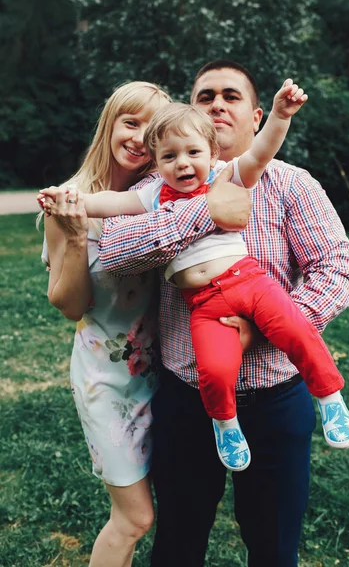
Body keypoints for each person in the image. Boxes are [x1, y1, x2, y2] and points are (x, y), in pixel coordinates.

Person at [97, 60, 349, 566]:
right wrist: (205, 211)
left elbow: (339, 271)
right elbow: (116, 252)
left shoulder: (291, 184)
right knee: (177, 541)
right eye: (204, 96)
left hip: (275, 399)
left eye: (231, 96)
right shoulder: (160, 188)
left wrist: (263, 327)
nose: (216, 104)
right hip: (186, 396)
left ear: (258, 116)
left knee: (273, 545)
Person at [41, 80, 349, 475]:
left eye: (231, 96)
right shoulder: (153, 192)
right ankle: (225, 424)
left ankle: (330, 397)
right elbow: (112, 226)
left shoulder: (228, 175)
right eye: (170, 155)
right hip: (203, 308)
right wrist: (72, 200)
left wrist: (281, 115)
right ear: (157, 159)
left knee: (295, 330)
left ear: (211, 148)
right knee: (214, 367)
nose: (183, 163)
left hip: (251, 286)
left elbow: (262, 153)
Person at [38, 81, 173, 567]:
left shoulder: (162, 194)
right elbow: (68, 304)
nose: (139, 138)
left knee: (167, 508)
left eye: (151, 129)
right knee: (134, 518)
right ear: (110, 124)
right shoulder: (68, 200)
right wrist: (75, 238)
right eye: (130, 122)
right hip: (107, 381)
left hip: (168, 372)